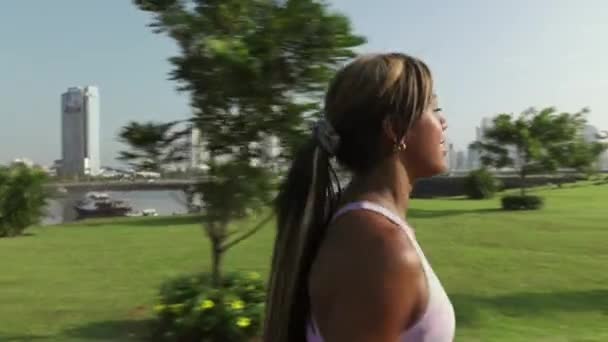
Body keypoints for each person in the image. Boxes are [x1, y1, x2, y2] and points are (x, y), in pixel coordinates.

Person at [264, 53, 455, 342]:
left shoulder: (361, 227)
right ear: (395, 129)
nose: (443, 122)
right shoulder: (379, 246)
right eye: (434, 107)